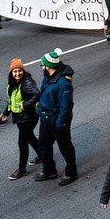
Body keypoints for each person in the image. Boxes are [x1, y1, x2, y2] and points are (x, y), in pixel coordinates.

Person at [35, 48, 78, 186]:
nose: (42, 67)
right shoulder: (48, 77)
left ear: (49, 66)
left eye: (43, 65)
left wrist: (60, 124)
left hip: (57, 121)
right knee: (44, 145)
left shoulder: (63, 83)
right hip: (46, 118)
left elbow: (66, 106)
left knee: (65, 147)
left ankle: (71, 172)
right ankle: (49, 170)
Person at [0, 58, 41, 180]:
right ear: (11, 73)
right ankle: (43, 155)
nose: (17, 74)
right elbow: (11, 100)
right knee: (30, 137)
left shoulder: (26, 83)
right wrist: (6, 112)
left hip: (28, 118)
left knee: (22, 143)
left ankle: (22, 170)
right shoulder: (12, 84)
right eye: (15, 71)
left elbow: (37, 94)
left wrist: (25, 104)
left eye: (19, 71)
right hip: (20, 117)